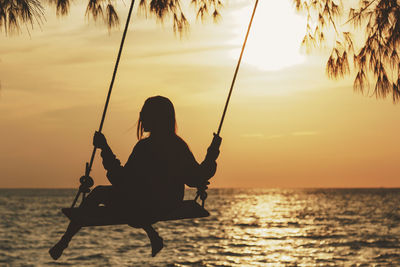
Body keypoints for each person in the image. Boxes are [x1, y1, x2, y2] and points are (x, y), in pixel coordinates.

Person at [49, 95, 222, 260]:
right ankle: (153, 235)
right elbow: (195, 178)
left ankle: (64, 241)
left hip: (146, 206)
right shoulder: (178, 146)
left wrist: (104, 148)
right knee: (132, 202)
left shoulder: (145, 147)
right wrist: (212, 153)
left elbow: (121, 180)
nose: (140, 117)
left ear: (156, 118)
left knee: (100, 194)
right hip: (169, 203)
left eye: (144, 113)